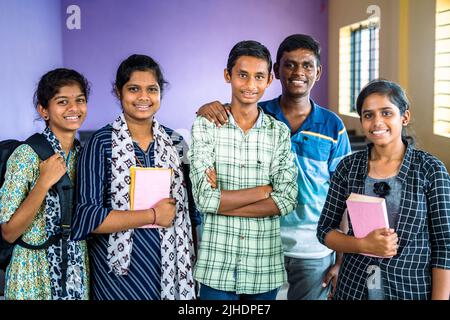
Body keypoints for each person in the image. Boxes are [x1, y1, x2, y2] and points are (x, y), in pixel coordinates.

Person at [196, 34, 351, 300]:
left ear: (318, 72)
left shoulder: (332, 126)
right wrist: (208, 108)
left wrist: (341, 260)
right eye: (289, 64)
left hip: (313, 247)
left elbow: (343, 196)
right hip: (260, 241)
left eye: (307, 65)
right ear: (276, 71)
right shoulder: (257, 114)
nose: (298, 72)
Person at [73, 54, 197, 300]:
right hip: (118, 277)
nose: (143, 97)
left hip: (172, 268)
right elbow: (87, 216)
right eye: (133, 89)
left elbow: (191, 213)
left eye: (152, 89)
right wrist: (152, 215)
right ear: (118, 92)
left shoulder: (176, 143)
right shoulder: (100, 143)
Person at [317, 79, 450, 300]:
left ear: (404, 116)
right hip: (354, 287)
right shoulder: (348, 167)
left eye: (386, 113)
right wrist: (362, 244)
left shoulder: (430, 169)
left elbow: (444, 246)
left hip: (409, 289)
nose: (377, 122)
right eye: (368, 115)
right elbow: (324, 230)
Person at [189, 40, 298, 300]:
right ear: (228, 76)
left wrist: (222, 200)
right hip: (216, 265)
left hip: (264, 266)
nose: (250, 85)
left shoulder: (278, 132)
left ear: (269, 79)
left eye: (259, 76)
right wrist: (263, 191)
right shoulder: (206, 126)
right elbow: (203, 199)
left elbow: (287, 200)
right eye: (242, 75)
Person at [0, 68, 90, 300]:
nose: (73, 108)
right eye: (62, 101)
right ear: (44, 110)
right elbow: (9, 232)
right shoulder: (27, 155)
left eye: (80, 100)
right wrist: (43, 183)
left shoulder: (85, 155)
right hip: (32, 271)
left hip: (75, 267)